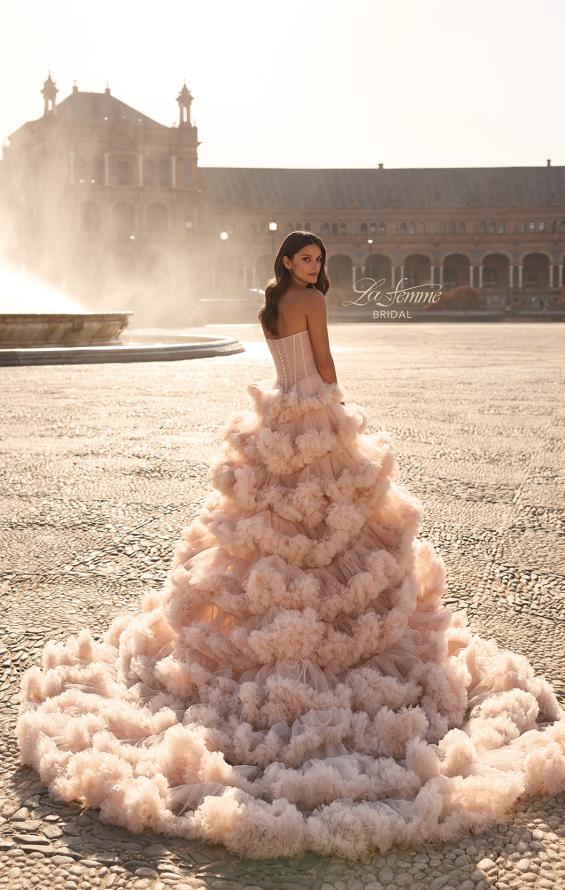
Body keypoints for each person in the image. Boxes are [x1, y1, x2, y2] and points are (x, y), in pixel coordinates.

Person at [16, 231, 565, 861]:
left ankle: (260, 631)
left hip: (278, 415)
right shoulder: (312, 300)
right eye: (306, 259)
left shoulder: (273, 302)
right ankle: (332, 635)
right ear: (288, 261)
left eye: (318, 260)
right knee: (331, 532)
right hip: (313, 415)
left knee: (267, 532)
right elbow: (325, 363)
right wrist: (338, 404)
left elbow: (286, 363)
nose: (314, 266)